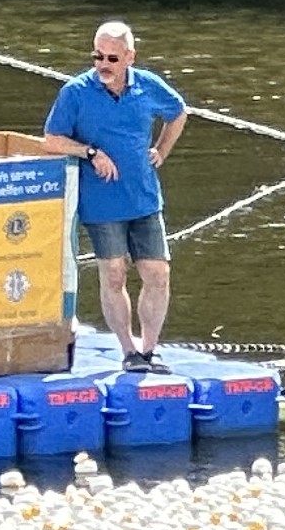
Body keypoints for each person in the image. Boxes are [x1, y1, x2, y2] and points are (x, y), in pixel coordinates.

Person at [42, 21, 190, 372]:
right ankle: (128, 351)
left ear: (129, 57)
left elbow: (179, 112)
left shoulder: (147, 86)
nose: (103, 64)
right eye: (97, 56)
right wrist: (91, 153)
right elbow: (51, 139)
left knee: (157, 273)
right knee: (113, 273)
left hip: (143, 198)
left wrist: (161, 151)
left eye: (111, 57)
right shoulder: (76, 92)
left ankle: (150, 350)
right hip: (101, 202)